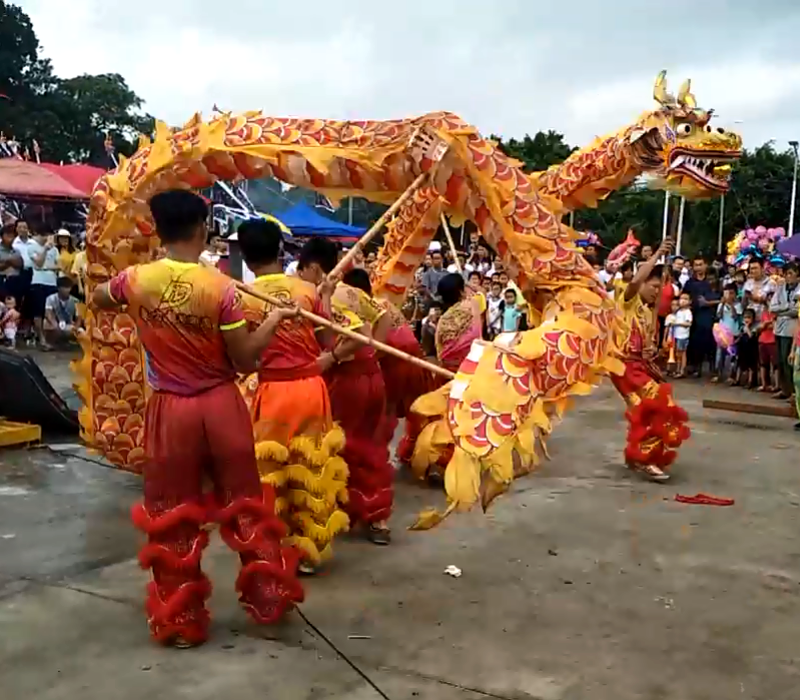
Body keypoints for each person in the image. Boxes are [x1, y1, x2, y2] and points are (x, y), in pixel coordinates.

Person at [92, 189, 303, 647]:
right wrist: (275, 321)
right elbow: (246, 360)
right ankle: (268, 596)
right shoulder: (221, 288)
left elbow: (97, 296)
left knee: (173, 514)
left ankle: (180, 620)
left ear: (158, 230)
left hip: (171, 408)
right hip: (221, 404)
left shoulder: (136, 280)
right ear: (202, 228)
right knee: (245, 503)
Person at [236, 223, 349, 573]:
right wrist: (326, 297)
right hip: (311, 390)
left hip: (272, 392)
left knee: (272, 470)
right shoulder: (306, 291)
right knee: (312, 464)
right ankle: (310, 550)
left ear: (245, 254)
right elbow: (330, 341)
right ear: (280, 249)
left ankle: (276, 542)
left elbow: (242, 357)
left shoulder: (241, 296)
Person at [611, 237, 690, 482]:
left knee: (642, 410)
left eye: (659, 287)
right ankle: (645, 459)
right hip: (623, 366)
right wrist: (657, 254)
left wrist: (651, 351)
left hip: (639, 366)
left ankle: (636, 456)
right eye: (653, 286)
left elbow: (648, 347)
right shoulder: (627, 299)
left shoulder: (648, 312)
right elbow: (635, 281)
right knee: (658, 401)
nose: (657, 291)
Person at [327, 271, 395, 545]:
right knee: (371, 444)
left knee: (342, 444)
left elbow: (354, 333)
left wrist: (333, 357)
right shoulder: (359, 295)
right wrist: (374, 351)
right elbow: (386, 316)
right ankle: (377, 518)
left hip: (348, 377)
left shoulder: (332, 294)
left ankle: (338, 512)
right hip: (373, 374)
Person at [683, 254, 719, 377]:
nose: (698, 268)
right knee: (695, 343)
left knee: (711, 343)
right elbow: (684, 297)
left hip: (710, 316)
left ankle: (713, 369)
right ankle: (695, 367)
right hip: (694, 316)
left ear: (705, 265)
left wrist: (708, 303)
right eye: (696, 265)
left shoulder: (712, 281)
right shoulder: (690, 283)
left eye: (700, 265)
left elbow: (722, 299)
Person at [769, 263, 799, 400]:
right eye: (786, 274)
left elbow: (796, 311)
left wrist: (782, 311)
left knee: (790, 360)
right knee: (780, 360)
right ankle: (784, 389)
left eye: (791, 273)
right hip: (779, 328)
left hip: (792, 329)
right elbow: (772, 308)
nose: (788, 277)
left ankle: (794, 391)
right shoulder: (780, 289)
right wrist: (786, 308)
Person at [28, 226, 60, 349]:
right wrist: (45, 249)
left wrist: (46, 267)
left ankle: (51, 338)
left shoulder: (55, 250)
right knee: (38, 311)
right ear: (39, 235)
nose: (48, 238)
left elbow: (59, 266)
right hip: (38, 282)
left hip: (52, 283)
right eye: (46, 236)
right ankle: (41, 339)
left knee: (51, 311)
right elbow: (38, 263)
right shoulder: (32, 248)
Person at [714, 283, 742, 383]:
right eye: (727, 293)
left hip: (733, 333)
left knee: (732, 356)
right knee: (719, 355)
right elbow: (719, 316)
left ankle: (731, 375)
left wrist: (731, 305)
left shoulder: (738, 305)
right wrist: (722, 305)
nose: (729, 296)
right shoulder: (721, 305)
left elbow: (735, 317)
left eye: (731, 293)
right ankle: (719, 374)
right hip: (722, 333)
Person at [43, 276, 80, 346]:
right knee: (46, 323)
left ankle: (68, 341)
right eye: (64, 287)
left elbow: (79, 317)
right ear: (59, 288)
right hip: (56, 323)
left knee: (81, 331)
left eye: (68, 287)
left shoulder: (75, 301)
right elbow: (48, 313)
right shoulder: (51, 298)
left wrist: (76, 327)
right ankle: (50, 343)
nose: (67, 290)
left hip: (69, 324)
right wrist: (55, 324)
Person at [0, 223, 23, 307]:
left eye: (12, 235)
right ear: (2, 236)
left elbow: (20, 264)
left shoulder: (16, 251)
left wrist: (6, 261)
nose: (10, 237)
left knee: (16, 307)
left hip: (16, 281)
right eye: (8, 234)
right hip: (2, 280)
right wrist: (10, 261)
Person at [735, 308, 759, 388]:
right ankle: (737, 379)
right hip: (742, 347)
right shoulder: (742, 327)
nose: (746, 320)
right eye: (745, 318)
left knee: (751, 366)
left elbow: (751, 336)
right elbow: (740, 336)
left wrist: (747, 328)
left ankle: (750, 381)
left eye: (749, 318)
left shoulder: (754, 327)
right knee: (739, 364)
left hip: (751, 348)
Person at [672, 292, 693, 378]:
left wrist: (677, 323)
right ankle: (678, 369)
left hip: (683, 336)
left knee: (682, 353)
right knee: (678, 353)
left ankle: (682, 370)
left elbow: (688, 324)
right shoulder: (678, 311)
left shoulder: (688, 312)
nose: (683, 301)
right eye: (681, 299)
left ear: (689, 301)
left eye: (685, 299)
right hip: (677, 335)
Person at [757, 308, 777, 392]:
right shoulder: (764, 313)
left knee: (775, 364)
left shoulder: (776, 313)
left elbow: (774, 326)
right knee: (763, 364)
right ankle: (764, 384)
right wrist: (767, 323)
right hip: (762, 340)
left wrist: (765, 324)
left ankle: (776, 385)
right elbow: (760, 327)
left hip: (773, 341)